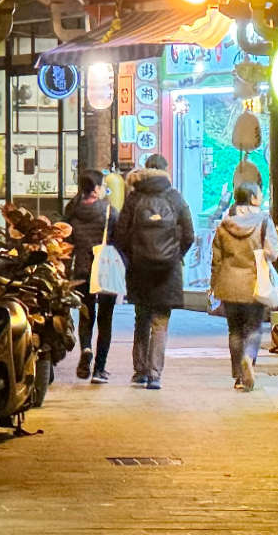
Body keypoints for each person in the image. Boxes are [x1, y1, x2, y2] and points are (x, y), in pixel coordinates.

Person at [113, 153, 193, 390]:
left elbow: (120, 235)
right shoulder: (175, 198)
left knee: (142, 319)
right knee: (161, 321)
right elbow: (189, 234)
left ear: (145, 170)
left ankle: (140, 372)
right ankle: (155, 374)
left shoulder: (134, 198)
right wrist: (175, 255)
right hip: (168, 270)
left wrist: (134, 256)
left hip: (140, 269)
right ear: (166, 170)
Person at [210, 184, 278, 391]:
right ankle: (249, 357)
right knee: (253, 328)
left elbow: (216, 259)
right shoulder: (264, 222)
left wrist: (214, 285)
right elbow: (272, 252)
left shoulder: (224, 225)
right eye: (259, 193)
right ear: (252, 198)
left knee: (235, 330)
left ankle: (239, 376)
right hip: (254, 283)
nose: (262, 196)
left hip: (229, 283)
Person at [62, 170, 119, 383]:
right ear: (96, 188)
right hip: (105, 269)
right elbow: (119, 239)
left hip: (81, 270)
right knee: (105, 320)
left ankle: (86, 348)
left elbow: (65, 240)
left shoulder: (72, 210)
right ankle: (99, 370)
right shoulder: (108, 211)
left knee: (86, 315)